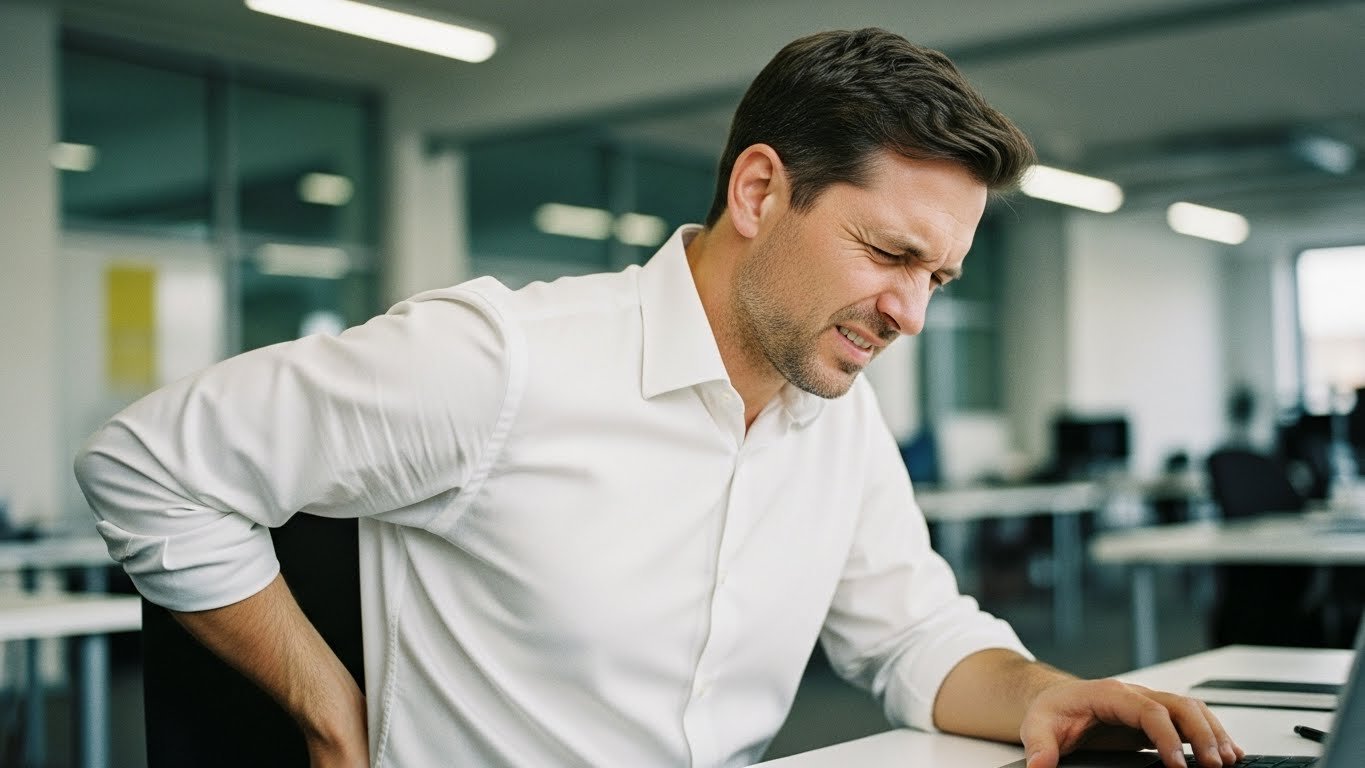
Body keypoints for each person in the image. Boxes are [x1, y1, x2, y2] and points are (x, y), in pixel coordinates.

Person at [75, 28, 1244, 768]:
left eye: (938, 278)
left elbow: (912, 636)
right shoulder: (502, 361)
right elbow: (145, 463)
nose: (912, 315)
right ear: (759, 191)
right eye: (889, 254)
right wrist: (328, 713)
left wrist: (1049, 695)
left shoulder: (834, 414)